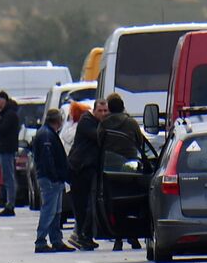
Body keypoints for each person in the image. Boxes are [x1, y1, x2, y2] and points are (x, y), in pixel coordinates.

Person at [98, 93, 144, 251]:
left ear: (109, 108)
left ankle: (118, 238)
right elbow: (140, 141)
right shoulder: (131, 123)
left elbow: (99, 143)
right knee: (132, 203)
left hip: (109, 169)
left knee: (114, 205)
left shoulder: (104, 125)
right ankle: (134, 236)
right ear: (123, 106)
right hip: (130, 169)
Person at [31, 107, 75, 253]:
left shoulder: (47, 133)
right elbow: (47, 159)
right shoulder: (47, 136)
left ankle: (56, 240)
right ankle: (41, 241)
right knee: (49, 211)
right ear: (58, 120)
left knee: (56, 211)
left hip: (52, 179)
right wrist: (55, 176)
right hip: (50, 180)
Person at [66, 99, 105, 250]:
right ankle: (80, 235)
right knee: (83, 206)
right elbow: (99, 136)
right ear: (94, 111)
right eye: (100, 111)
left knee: (89, 204)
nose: (103, 114)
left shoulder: (96, 123)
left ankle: (85, 236)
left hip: (88, 169)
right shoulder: (87, 122)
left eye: (105, 111)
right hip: (79, 169)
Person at [0, 92, 21, 217]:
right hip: (5, 148)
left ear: (2, 101)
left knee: (9, 177)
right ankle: (8, 203)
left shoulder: (9, 115)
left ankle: (10, 205)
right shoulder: (8, 113)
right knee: (7, 176)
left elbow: (2, 130)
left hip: (7, 149)